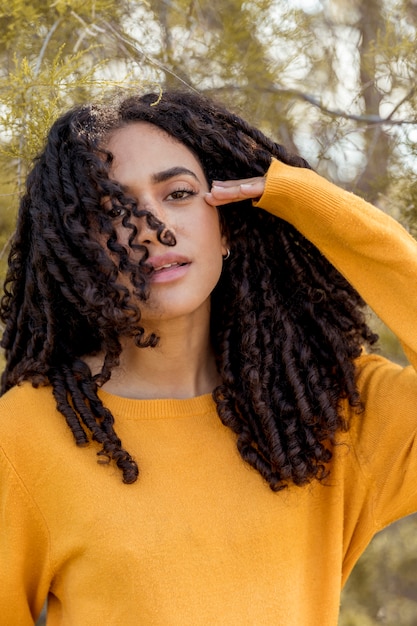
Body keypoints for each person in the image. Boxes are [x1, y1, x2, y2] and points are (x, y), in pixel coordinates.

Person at [0, 89, 416, 625]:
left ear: (227, 228)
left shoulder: (329, 413)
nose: (151, 229)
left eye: (177, 193)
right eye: (112, 209)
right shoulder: (25, 435)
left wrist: (310, 201)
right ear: (83, 252)